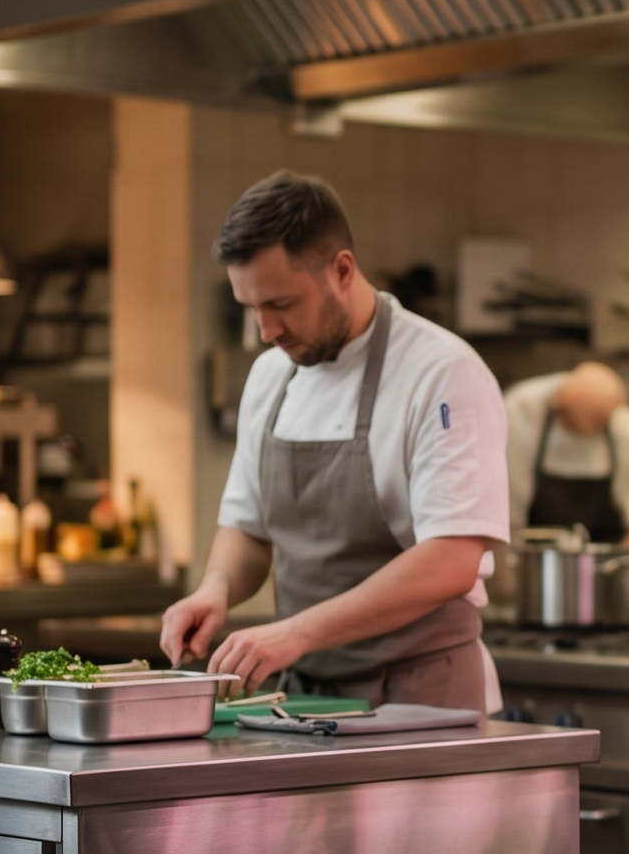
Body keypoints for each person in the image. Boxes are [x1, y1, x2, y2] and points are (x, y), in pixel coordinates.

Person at [159, 171, 508, 711]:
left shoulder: (442, 373)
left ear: (342, 270)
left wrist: (296, 632)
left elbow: (451, 559)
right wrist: (216, 590)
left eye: (281, 303)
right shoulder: (270, 376)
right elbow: (248, 528)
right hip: (304, 696)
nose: (267, 331)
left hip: (421, 694)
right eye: (251, 308)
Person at [504, 361, 629, 555]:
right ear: (559, 410)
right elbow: (509, 520)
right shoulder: (521, 413)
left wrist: (618, 563)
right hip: (537, 559)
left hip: (607, 561)